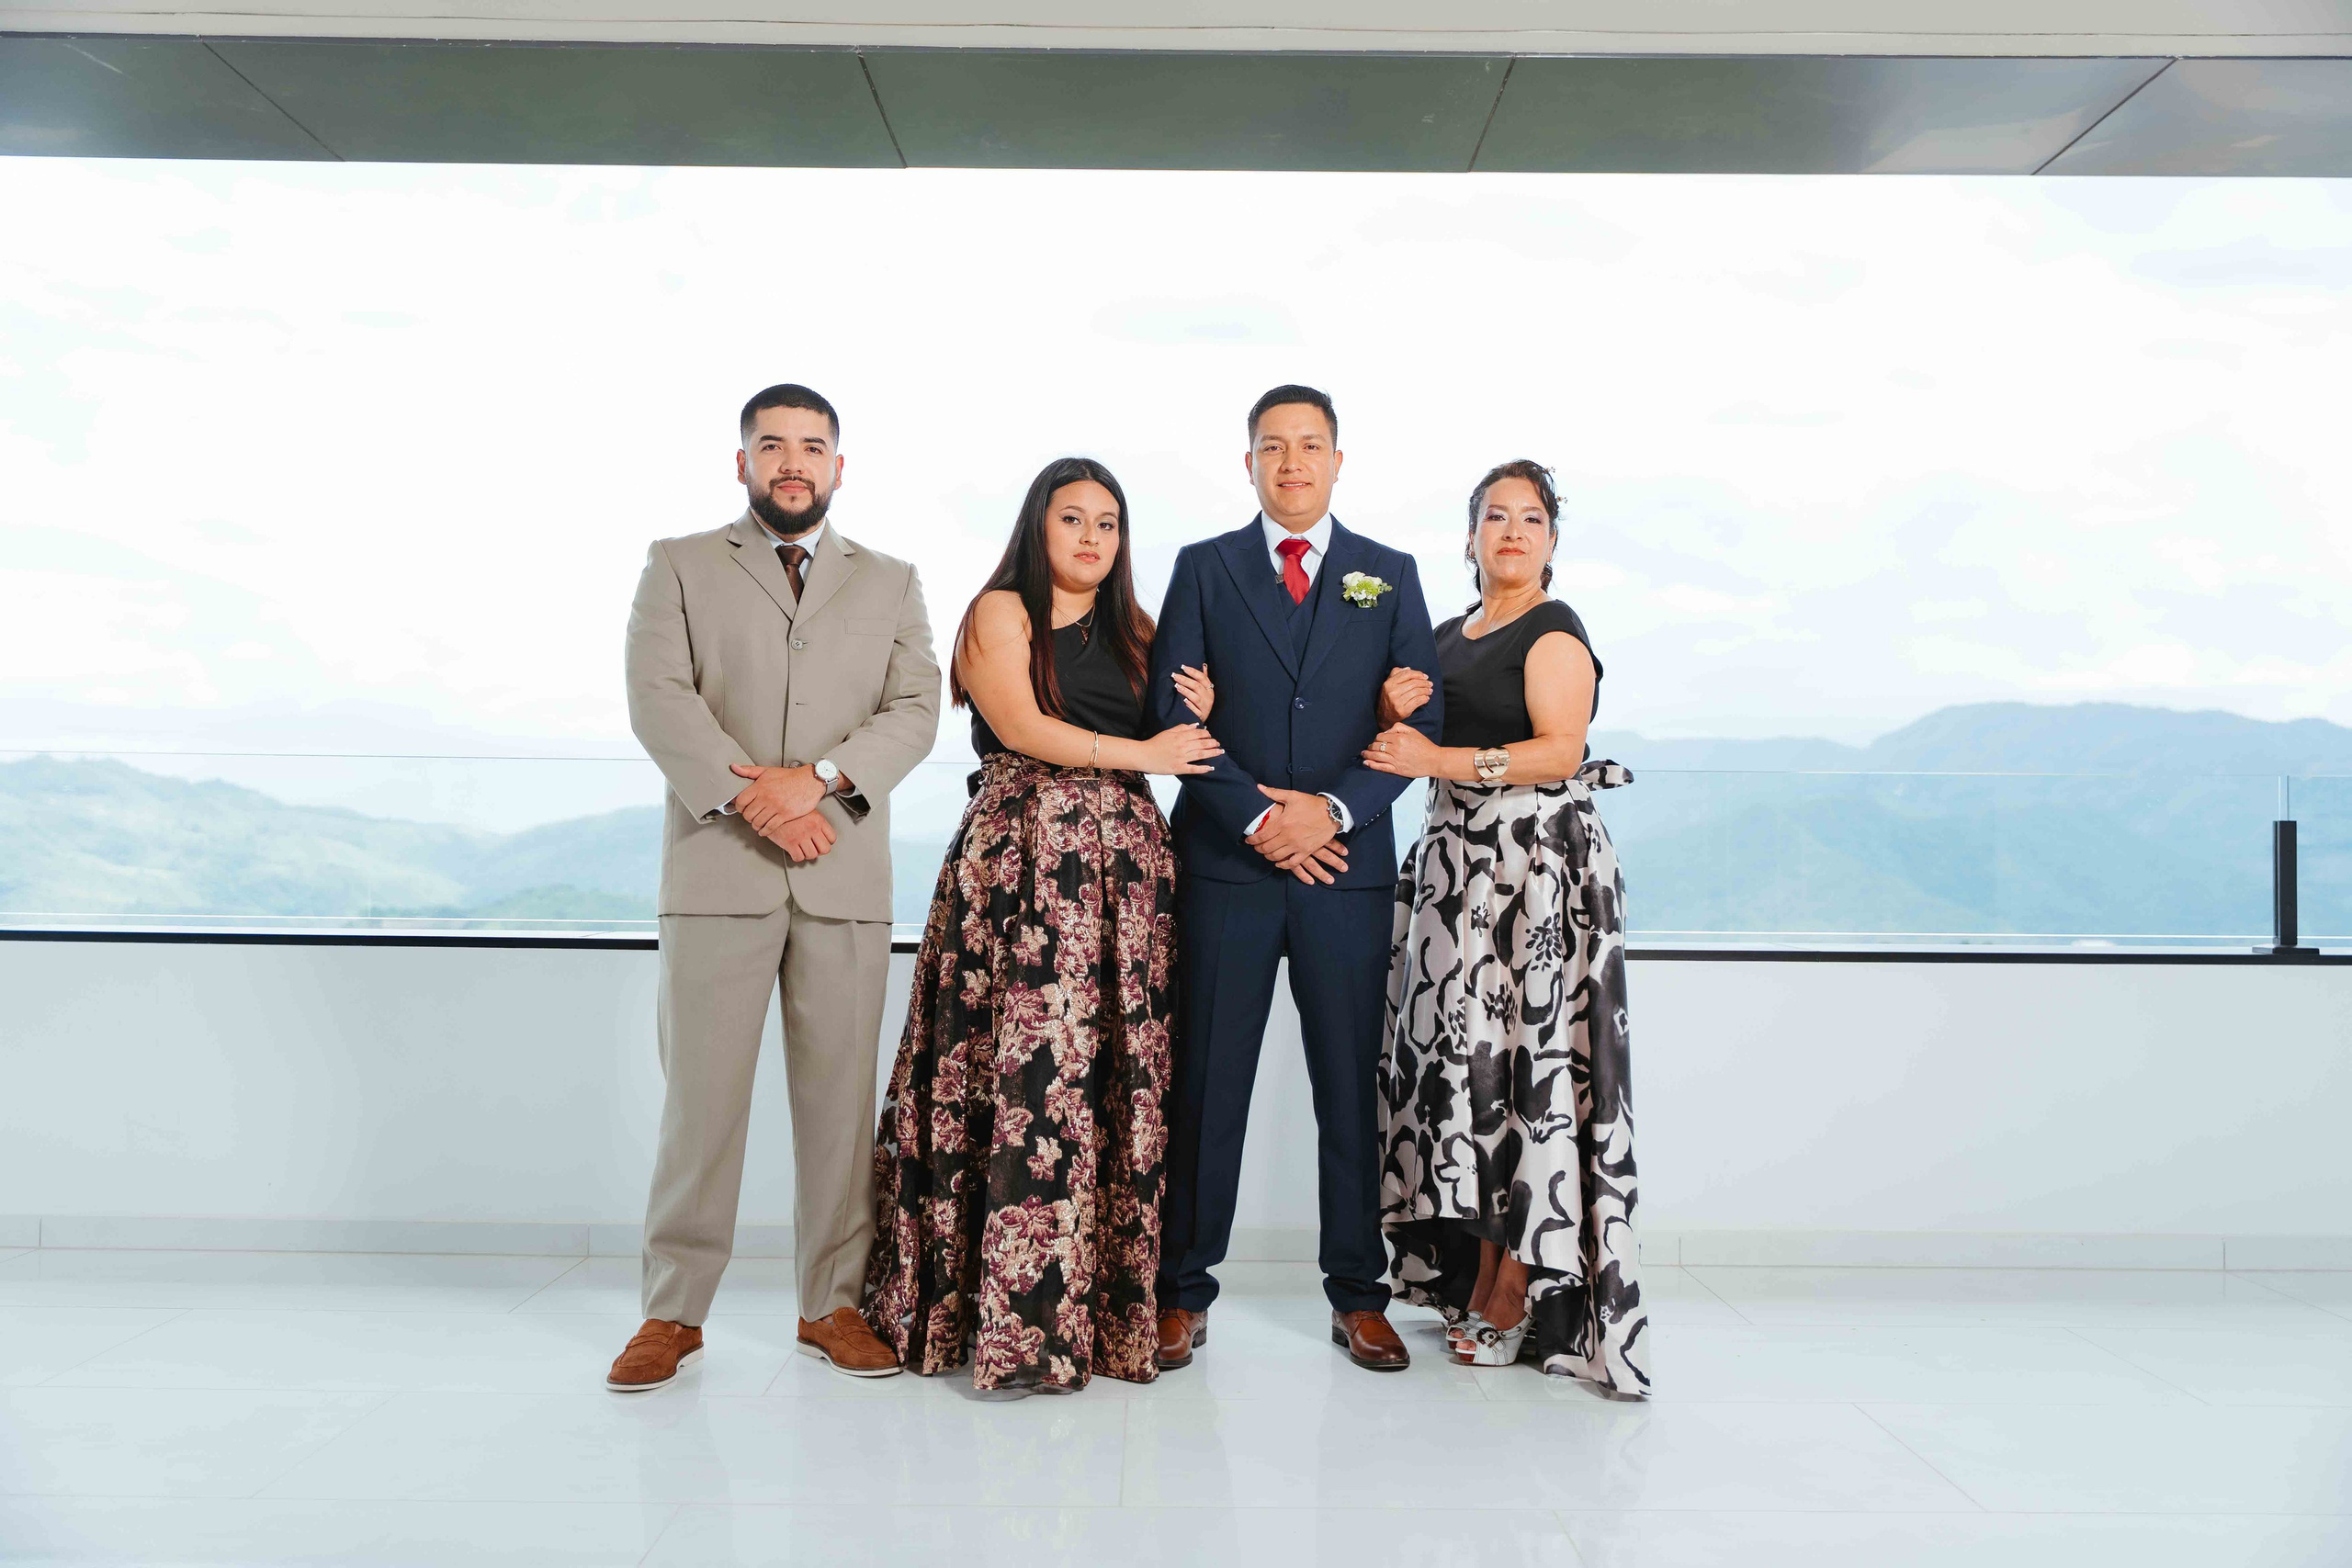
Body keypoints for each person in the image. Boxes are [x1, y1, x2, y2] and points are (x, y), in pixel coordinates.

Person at [608, 384, 942, 1393]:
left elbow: (917, 708)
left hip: (841, 877)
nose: (791, 462)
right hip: (718, 873)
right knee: (699, 1107)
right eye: (771, 446)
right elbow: (659, 700)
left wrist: (822, 786)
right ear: (742, 462)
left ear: (840, 466)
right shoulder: (677, 566)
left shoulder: (890, 580)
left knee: (840, 1106)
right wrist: (754, 801)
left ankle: (831, 1304)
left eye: (811, 446)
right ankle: (672, 1312)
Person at [864, 457, 1221, 1393]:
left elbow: (1190, 732)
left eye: (1109, 522)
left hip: (1126, 883)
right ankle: (1002, 1319)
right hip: (1026, 865)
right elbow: (1020, 726)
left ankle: (1102, 1324)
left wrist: (1202, 716)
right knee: (1024, 1080)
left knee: (1108, 1085)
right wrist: (1143, 750)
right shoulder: (1001, 611)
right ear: (1038, 525)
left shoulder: (1138, 629)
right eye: (1073, 518)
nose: (1093, 537)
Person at [1147, 385, 1444, 1373]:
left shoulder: (1387, 575)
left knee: (1348, 1089)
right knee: (1207, 1086)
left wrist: (1338, 813)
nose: (1291, 464)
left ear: (1337, 461)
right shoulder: (1203, 568)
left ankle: (1359, 1296)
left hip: (1345, 874)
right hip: (1228, 868)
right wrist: (1267, 818)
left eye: (1309, 447)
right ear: (1247, 465)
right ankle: (1180, 1294)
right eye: (1271, 448)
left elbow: (1421, 727)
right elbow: (1173, 716)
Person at [1362, 457, 1647, 1394]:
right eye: (1495, 516)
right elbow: (1399, 740)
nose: (1512, 531)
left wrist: (1433, 748)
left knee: (1530, 1071)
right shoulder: (1446, 635)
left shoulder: (1554, 630)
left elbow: (1558, 750)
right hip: (1456, 878)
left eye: (1531, 518)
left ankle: (1517, 1274)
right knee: (1463, 1078)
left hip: (1532, 873)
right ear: (1471, 536)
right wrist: (1391, 706)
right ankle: (1478, 1263)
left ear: (1552, 541)